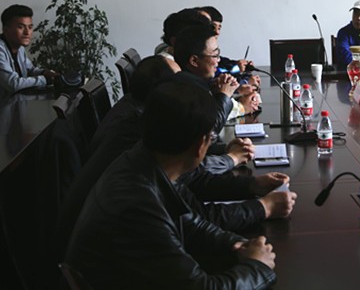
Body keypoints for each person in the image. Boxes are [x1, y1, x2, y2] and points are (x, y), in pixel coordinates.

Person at [55, 56, 296, 261]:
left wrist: (251, 187)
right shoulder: (140, 190)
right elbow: (198, 280)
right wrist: (262, 216)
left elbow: (191, 213)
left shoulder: (145, 144)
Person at [65, 80, 278, 289]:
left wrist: (235, 245)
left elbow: (187, 221)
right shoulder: (136, 205)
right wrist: (257, 267)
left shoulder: (143, 160)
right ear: (200, 146)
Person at [173, 23, 257, 175]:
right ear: (194, 61)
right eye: (214, 55)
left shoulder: (194, 82)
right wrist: (224, 96)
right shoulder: (184, 91)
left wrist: (226, 148)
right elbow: (208, 132)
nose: (218, 60)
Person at [0, 4, 57, 120]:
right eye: (21, 27)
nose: (27, 32)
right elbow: (13, 84)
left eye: (30, 27)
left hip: (6, 111)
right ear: (6, 29)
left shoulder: (18, 47)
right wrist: (46, 79)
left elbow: (30, 69)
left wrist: (45, 72)